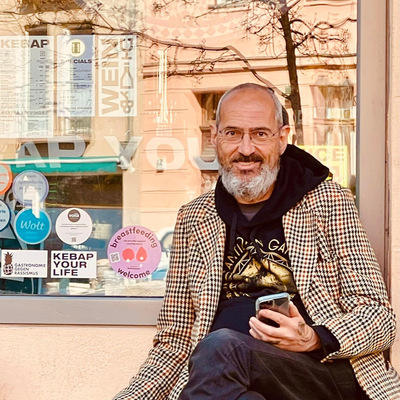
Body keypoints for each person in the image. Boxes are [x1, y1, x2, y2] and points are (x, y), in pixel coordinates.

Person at [114, 83, 400, 400]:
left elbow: (379, 318)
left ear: (282, 138)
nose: (246, 149)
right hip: (225, 382)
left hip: (320, 376)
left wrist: (313, 338)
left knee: (222, 347)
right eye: (233, 133)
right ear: (215, 137)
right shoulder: (194, 218)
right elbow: (175, 340)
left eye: (260, 134)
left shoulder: (328, 203)